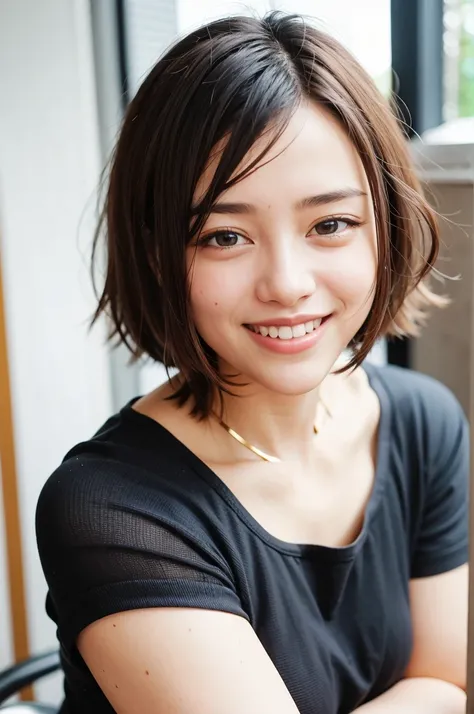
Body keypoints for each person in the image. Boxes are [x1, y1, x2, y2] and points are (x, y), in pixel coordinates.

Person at [35, 11, 468, 714]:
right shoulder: (113, 508)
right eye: (225, 235)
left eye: (330, 224)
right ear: (155, 252)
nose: (287, 282)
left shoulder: (423, 423)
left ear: (383, 225)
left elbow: (448, 682)